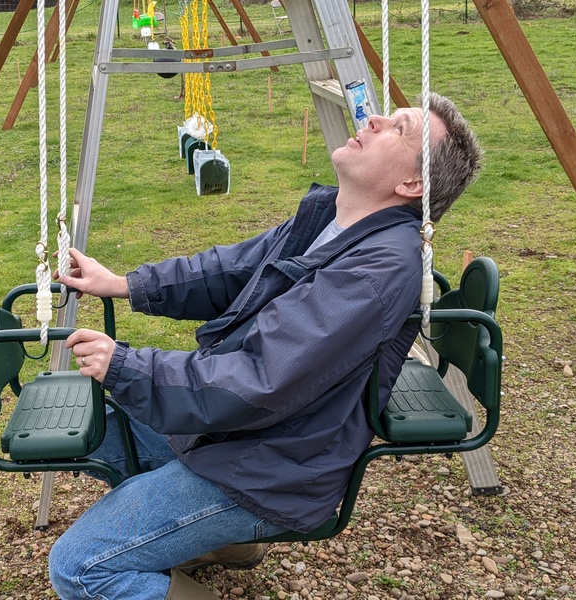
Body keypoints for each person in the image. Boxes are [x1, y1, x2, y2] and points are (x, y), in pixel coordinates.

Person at [48, 92, 482, 599]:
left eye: (399, 128)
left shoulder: (376, 270)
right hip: (243, 437)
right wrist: (128, 284)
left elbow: (260, 378)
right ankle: (223, 542)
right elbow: (232, 268)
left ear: (411, 183)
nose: (375, 118)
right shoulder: (332, 219)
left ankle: (231, 524)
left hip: (267, 468)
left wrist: (126, 365)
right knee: (85, 412)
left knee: (81, 567)